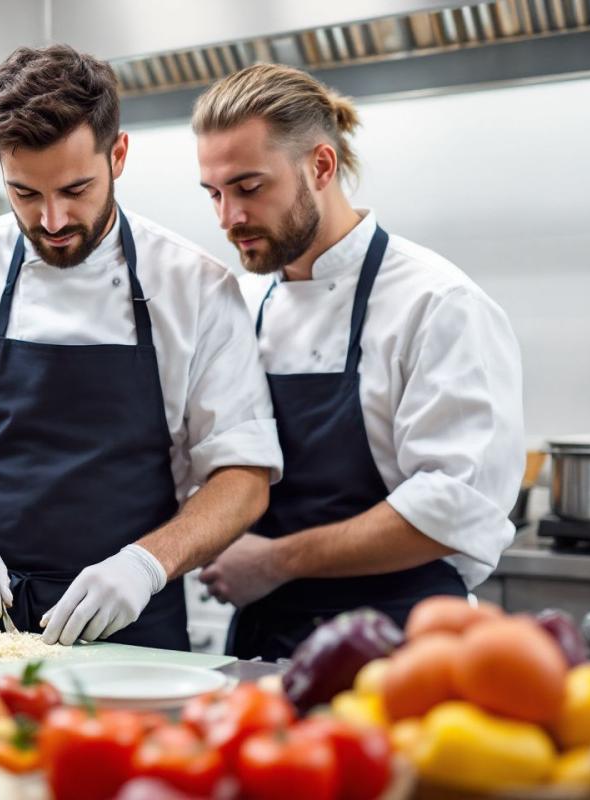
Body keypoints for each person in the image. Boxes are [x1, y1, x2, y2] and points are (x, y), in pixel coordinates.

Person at [0, 45, 282, 650]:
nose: (54, 220)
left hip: (133, 627)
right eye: (25, 194)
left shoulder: (195, 285)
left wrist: (146, 564)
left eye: (76, 189)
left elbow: (243, 475)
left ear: (118, 155)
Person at [194, 63, 525, 660]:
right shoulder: (242, 303)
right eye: (215, 194)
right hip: (266, 639)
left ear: (321, 167)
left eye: (249, 188)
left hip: (402, 642)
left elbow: (452, 507)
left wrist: (275, 560)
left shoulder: (436, 303)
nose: (228, 218)